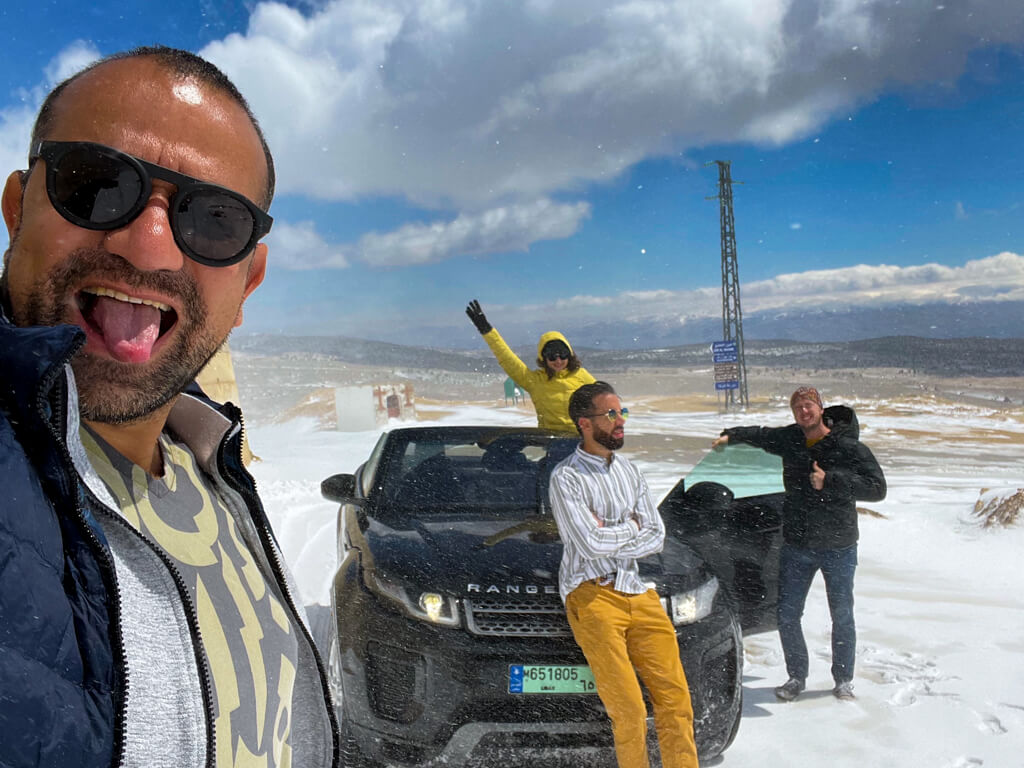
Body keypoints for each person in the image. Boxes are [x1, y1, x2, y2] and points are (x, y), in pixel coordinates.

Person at [0, 47, 337, 767]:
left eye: (214, 220)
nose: (150, 248)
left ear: (248, 283)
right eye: (95, 185)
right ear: (14, 210)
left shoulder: (214, 469)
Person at [549, 382, 698, 768]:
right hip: (592, 596)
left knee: (676, 702)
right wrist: (632, 527)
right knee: (629, 710)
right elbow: (589, 545)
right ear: (585, 423)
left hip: (638, 592)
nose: (619, 422)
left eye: (621, 413)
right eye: (610, 414)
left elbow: (657, 535)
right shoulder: (566, 478)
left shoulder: (630, 471)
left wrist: (614, 532)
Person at [712, 386, 886, 702]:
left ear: (820, 408)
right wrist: (731, 435)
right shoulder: (791, 439)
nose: (803, 412)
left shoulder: (847, 447)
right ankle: (796, 677)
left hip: (839, 546)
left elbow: (877, 488)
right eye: (797, 408)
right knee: (788, 615)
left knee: (842, 614)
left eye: (808, 405)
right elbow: (762, 435)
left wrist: (831, 480)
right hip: (798, 545)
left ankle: (843, 680)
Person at [465, 298, 595, 431]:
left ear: (570, 355)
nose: (558, 361)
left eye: (563, 355)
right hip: (551, 442)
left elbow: (606, 402)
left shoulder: (582, 376)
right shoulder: (535, 381)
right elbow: (508, 359)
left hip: (581, 443)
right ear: (543, 359)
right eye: (552, 356)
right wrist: (486, 330)